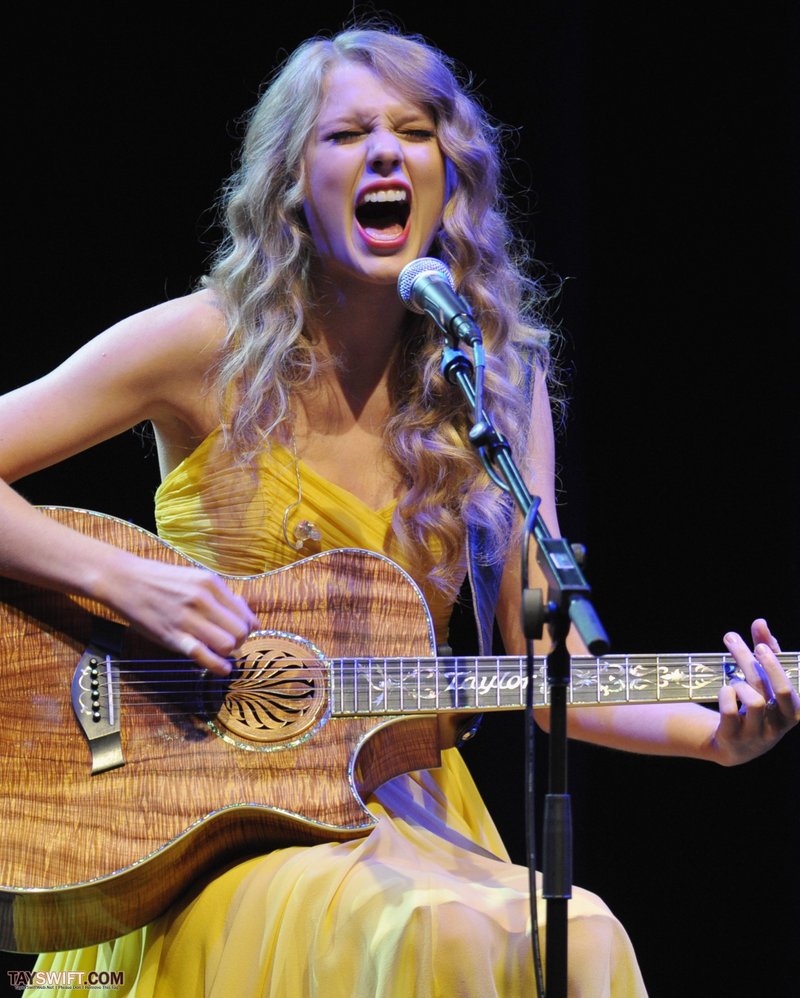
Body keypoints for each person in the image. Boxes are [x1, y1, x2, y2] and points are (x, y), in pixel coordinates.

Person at [2, 24, 796, 998]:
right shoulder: (204, 343)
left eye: (412, 130)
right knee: (438, 933)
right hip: (207, 818)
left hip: (404, 806)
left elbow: (551, 662)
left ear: (446, 176)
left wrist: (712, 734)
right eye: (346, 134)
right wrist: (130, 581)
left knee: (581, 931)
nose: (383, 150)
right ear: (293, 181)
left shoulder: (494, 385)